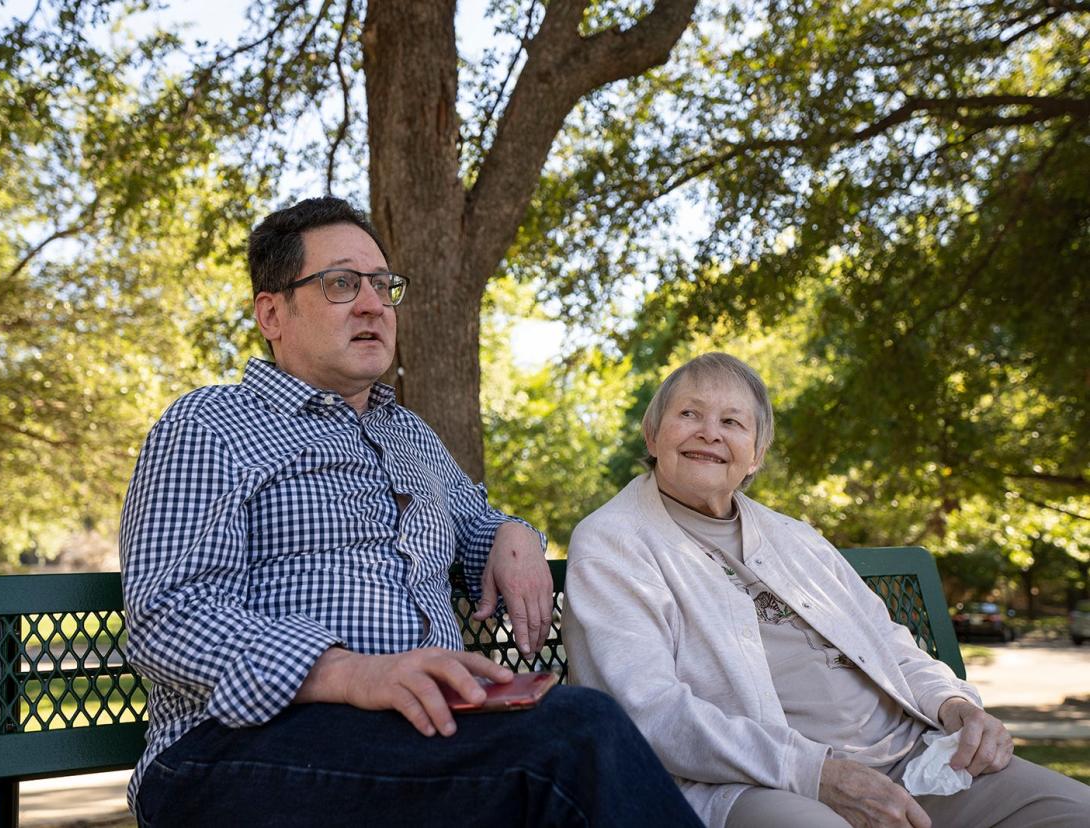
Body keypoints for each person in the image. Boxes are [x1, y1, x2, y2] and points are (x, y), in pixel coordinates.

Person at [118, 196, 701, 827]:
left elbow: (475, 524)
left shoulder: (410, 435)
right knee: (576, 736)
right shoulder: (210, 424)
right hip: (236, 749)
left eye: (381, 285)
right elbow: (166, 615)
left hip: (417, 736)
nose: (373, 303)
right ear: (272, 313)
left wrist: (512, 533)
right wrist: (346, 672)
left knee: (571, 731)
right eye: (340, 284)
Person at [563, 352, 1090, 828]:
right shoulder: (614, 542)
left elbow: (890, 644)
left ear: (756, 455)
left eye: (731, 422)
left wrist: (956, 706)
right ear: (652, 436)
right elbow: (651, 711)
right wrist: (818, 773)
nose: (710, 433)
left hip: (917, 760)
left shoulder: (797, 538)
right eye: (689, 415)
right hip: (764, 783)